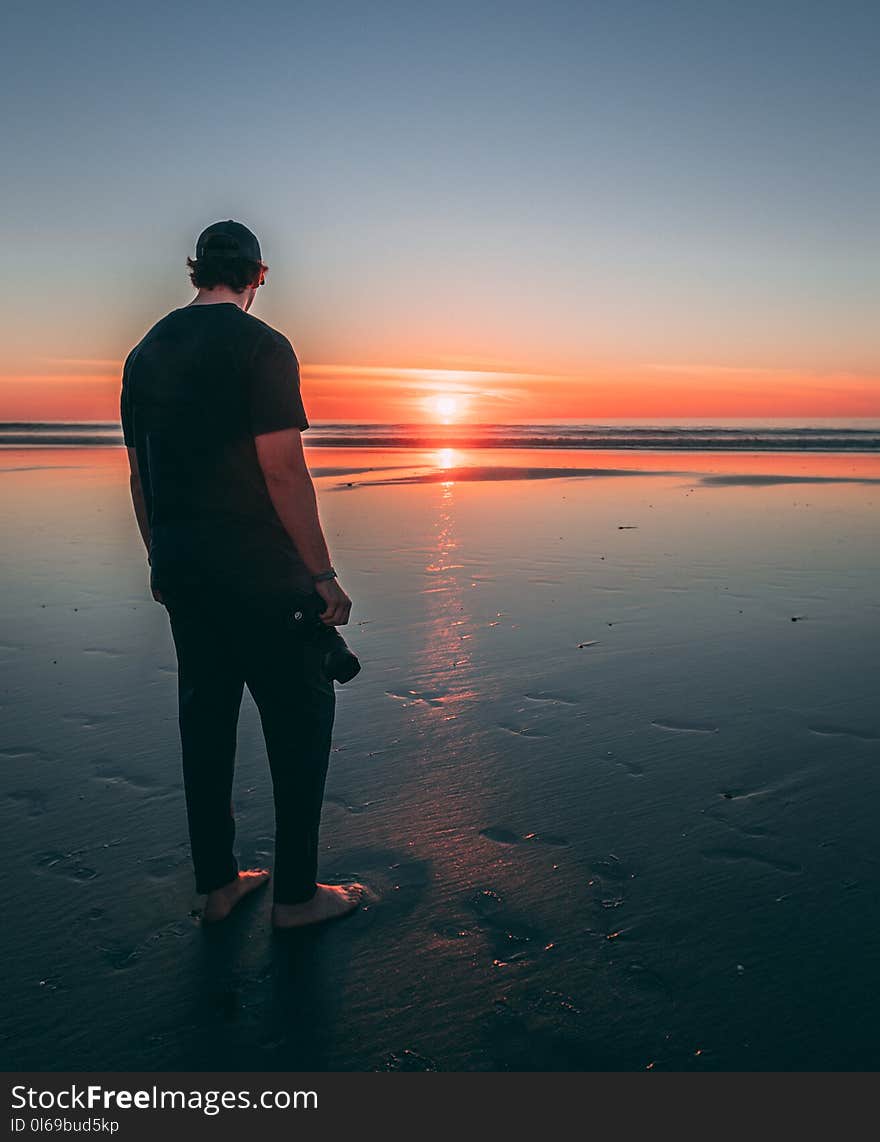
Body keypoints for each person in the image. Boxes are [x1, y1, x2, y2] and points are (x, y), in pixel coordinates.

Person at [120, 220, 366, 927]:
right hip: (262, 573)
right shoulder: (263, 345)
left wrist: (159, 557)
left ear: (197, 270)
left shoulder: (144, 352)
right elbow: (283, 469)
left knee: (205, 719)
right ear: (258, 274)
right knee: (299, 722)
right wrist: (322, 574)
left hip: (183, 570)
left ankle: (218, 884)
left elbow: (141, 477)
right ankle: (295, 896)